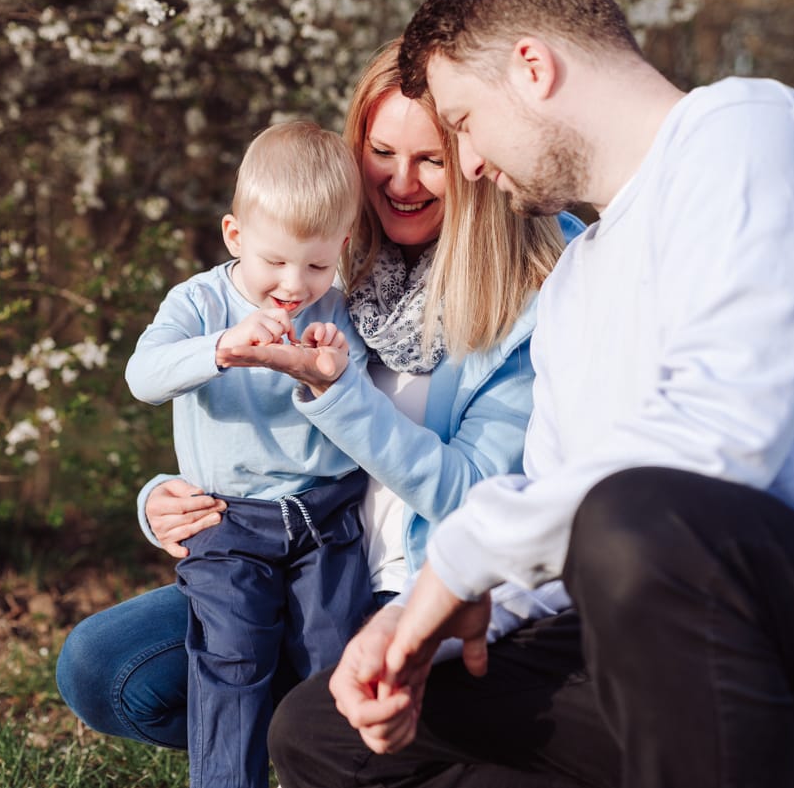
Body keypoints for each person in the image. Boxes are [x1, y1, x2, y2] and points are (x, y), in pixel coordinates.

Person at [268, 0, 794, 788]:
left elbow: (717, 444)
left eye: (462, 123)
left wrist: (462, 553)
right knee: (320, 728)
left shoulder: (751, 136)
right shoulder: (574, 284)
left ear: (533, 67)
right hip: (667, 669)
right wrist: (442, 622)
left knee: (640, 516)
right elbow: (556, 515)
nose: (464, 164)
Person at [55, 41, 583, 774]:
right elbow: (227, 399)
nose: (402, 182)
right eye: (382, 151)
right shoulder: (321, 251)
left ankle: (344, 734)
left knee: (308, 706)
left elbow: (470, 493)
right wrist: (164, 500)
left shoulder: (523, 289)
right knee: (103, 665)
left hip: (408, 582)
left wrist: (339, 395)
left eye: (430, 158)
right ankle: (294, 724)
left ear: (475, 154)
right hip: (272, 541)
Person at [125, 119, 375, 788]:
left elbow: (370, 410)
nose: (295, 283)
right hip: (228, 520)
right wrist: (221, 350)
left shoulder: (340, 308)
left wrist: (334, 371)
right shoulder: (201, 303)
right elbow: (142, 376)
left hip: (326, 515)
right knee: (231, 660)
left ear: (342, 249)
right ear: (236, 236)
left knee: (334, 651)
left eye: (319, 264)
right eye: (275, 261)